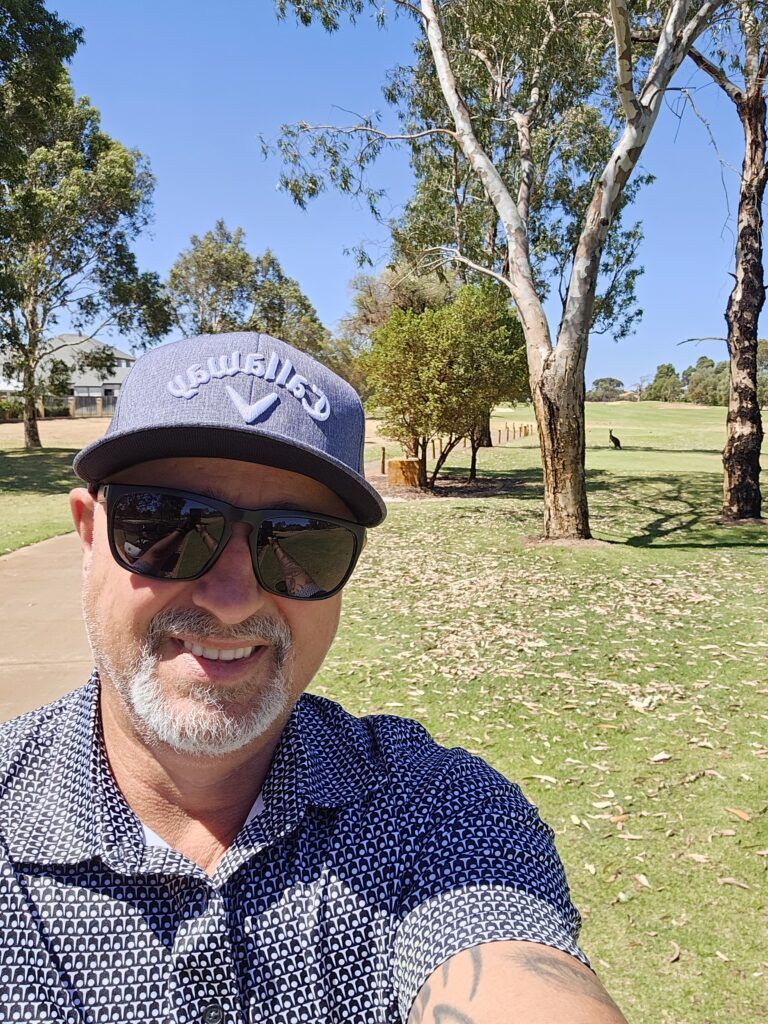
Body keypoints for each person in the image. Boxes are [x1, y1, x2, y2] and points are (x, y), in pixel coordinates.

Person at [0, 332, 628, 1023]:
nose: (231, 597)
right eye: (169, 523)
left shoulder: (434, 809)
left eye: (300, 540)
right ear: (88, 536)